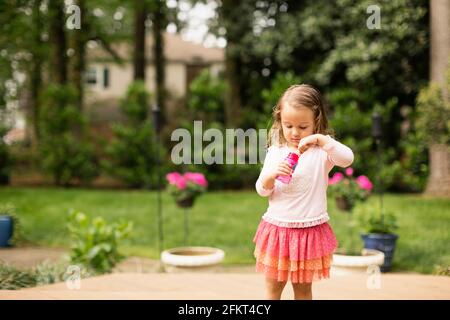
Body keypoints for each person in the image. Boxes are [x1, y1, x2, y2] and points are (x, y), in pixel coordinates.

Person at [253, 84, 354, 300]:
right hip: (278, 230)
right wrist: (270, 176)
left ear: (316, 121)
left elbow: (347, 159)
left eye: (303, 126)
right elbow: (261, 190)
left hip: (308, 231)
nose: (295, 132)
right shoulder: (275, 151)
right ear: (280, 121)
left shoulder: (322, 152)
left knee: (303, 290)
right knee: (273, 289)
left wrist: (322, 140)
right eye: (288, 125)